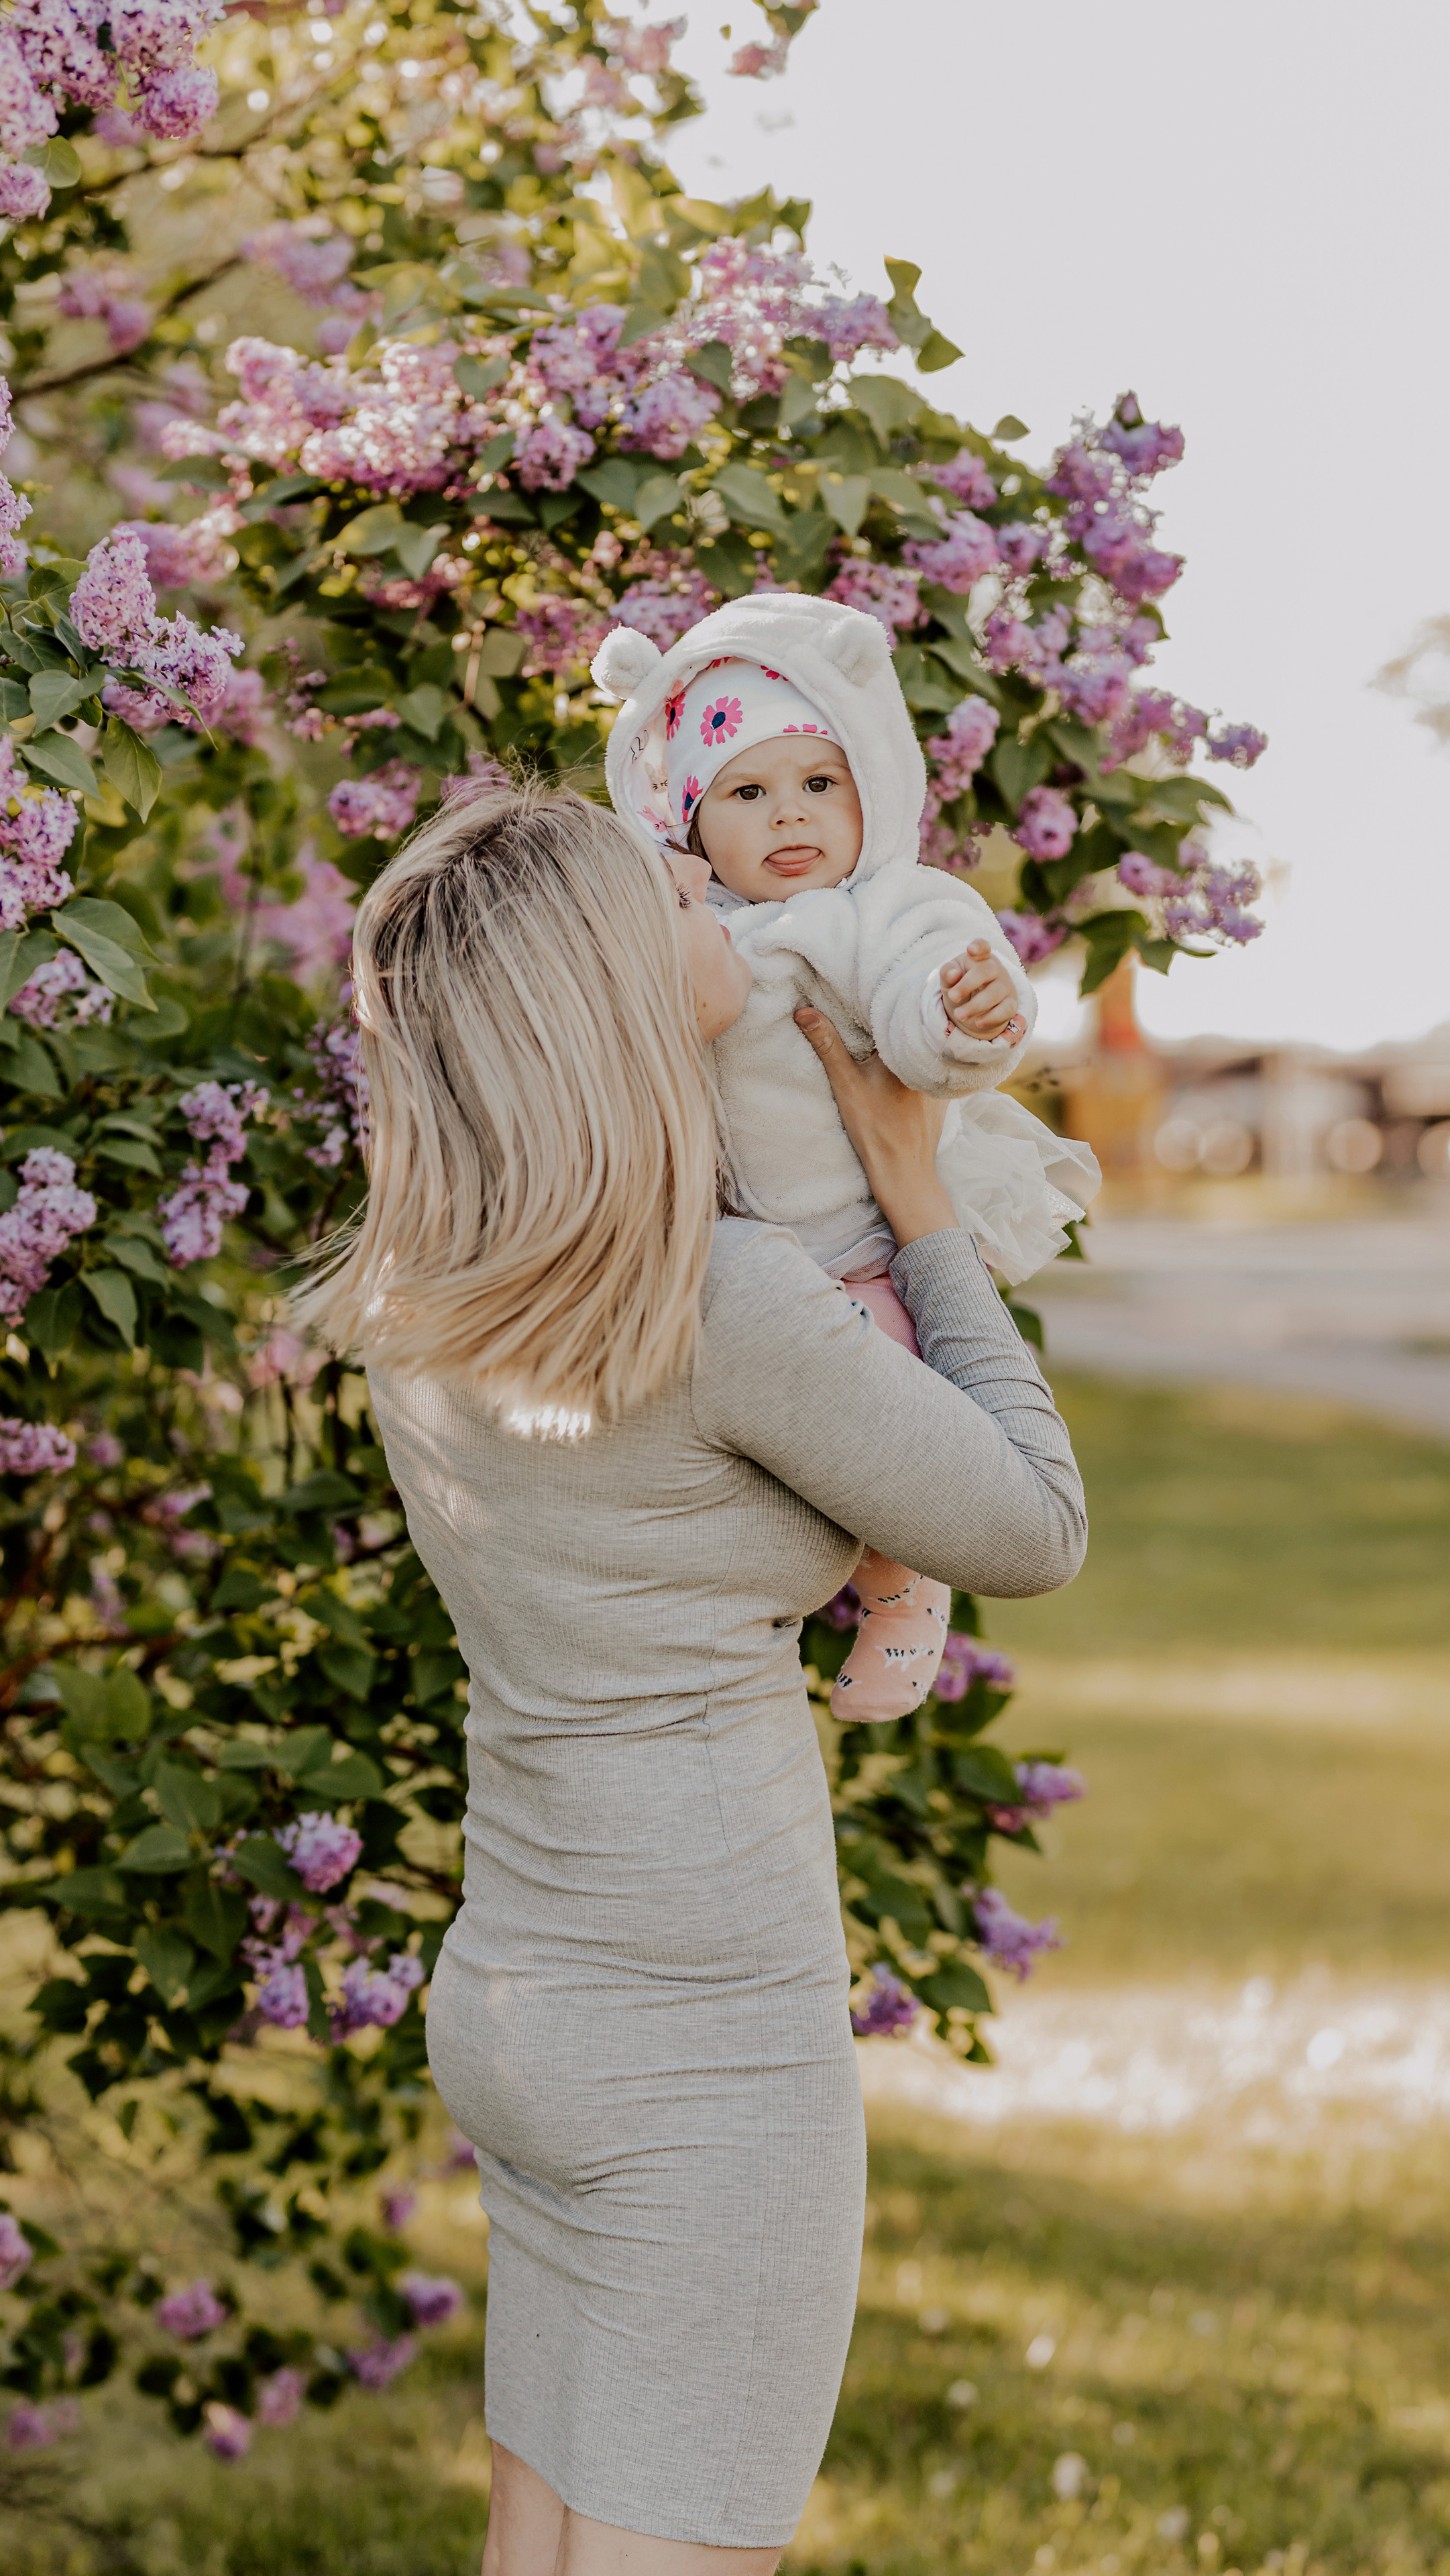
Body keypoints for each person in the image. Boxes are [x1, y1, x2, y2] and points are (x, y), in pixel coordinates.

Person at [300, 784, 1086, 2576]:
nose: (712, 894)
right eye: (667, 896)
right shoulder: (720, 1304)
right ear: (612, 999)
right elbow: (1031, 1523)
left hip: (526, 2006)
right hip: (705, 2042)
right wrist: (916, 1198)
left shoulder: (427, 1297)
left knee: (546, 2539)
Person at [593, 594, 1099, 1721]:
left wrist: (958, 1015)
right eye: (748, 792)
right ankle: (809, 1580)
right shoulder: (693, 926)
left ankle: (906, 1594)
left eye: (820, 784)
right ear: (688, 823)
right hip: (742, 1252)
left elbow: (930, 986)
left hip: (866, 1243)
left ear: (869, 788)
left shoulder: (877, 909)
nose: (792, 817)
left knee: (894, 1415)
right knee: (778, 1435)